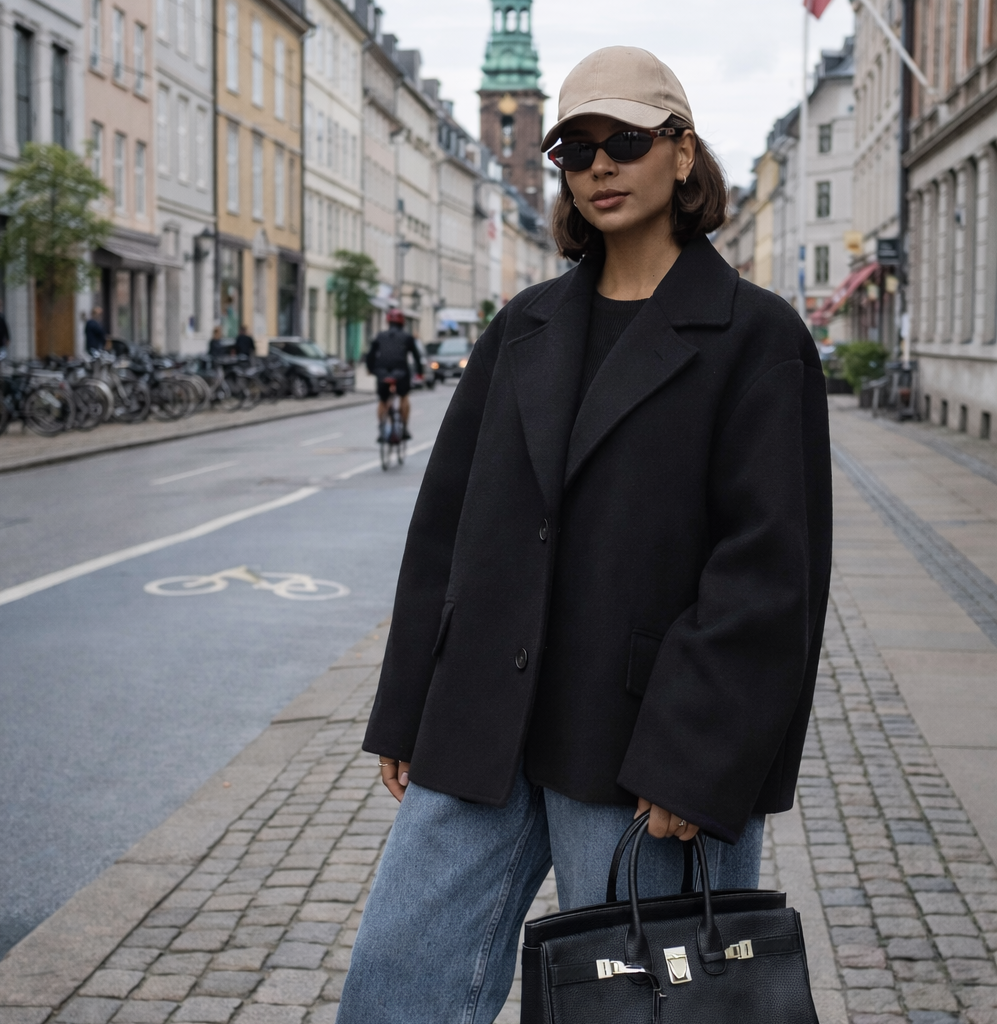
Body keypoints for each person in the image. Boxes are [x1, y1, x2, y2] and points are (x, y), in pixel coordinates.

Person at [337, 46, 832, 1024]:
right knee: (395, 987)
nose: (599, 163)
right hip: (485, 719)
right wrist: (403, 707)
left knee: (639, 1012)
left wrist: (697, 757)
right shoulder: (523, 325)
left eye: (627, 140)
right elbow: (449, 523)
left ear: (682, 155)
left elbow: (770, 574)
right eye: (574, 145)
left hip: (642, 745)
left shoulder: (756, 337)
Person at [365, 308, 423, 441]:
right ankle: (405, 429)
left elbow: (370, 355)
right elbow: (416, 356)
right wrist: (419, 373)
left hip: (382, 372)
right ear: (402, 323)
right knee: (404, 397)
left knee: (382, 400)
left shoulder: (380, 336)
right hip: (401, 372)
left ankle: (381, 428)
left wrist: (370, 369)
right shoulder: (407, 337)